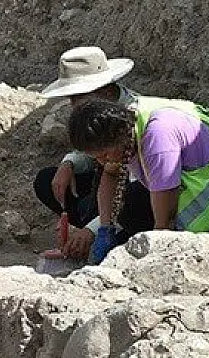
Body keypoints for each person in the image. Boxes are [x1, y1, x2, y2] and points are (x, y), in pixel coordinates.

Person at [67, 96, 209, 262]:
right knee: (132, 205)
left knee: (134, 207)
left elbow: (165, 226)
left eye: (104, 154)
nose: (103, 161)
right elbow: (111, 172)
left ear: (117, 137)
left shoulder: (158, 138)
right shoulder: (132, 118)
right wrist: (104, 228)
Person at [33, 46, 155, 260]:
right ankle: (91, 234)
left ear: (106, 92)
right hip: (107, 189)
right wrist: (69, 163)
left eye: (78, 98)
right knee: (46, 181)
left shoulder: (135, 118)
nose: (72, 105)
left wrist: (93, 228)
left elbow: (133, 184)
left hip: (138, 194)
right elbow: (98, 153)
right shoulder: (101, 112)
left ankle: (103, 235)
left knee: (132, 202)